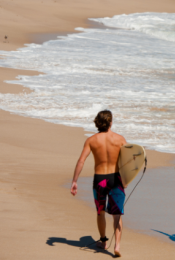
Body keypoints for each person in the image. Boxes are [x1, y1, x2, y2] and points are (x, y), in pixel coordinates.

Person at [71, 110, 127, 257]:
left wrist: (75, 181)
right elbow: (128, 162)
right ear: (110, 122)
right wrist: (126, 180)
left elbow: (81, 161)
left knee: (100, 212)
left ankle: (103, 241)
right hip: (116, 179)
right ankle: (117, 246)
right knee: (117, 214)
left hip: (100, 180)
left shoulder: (91, 140)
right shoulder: (120, 139)